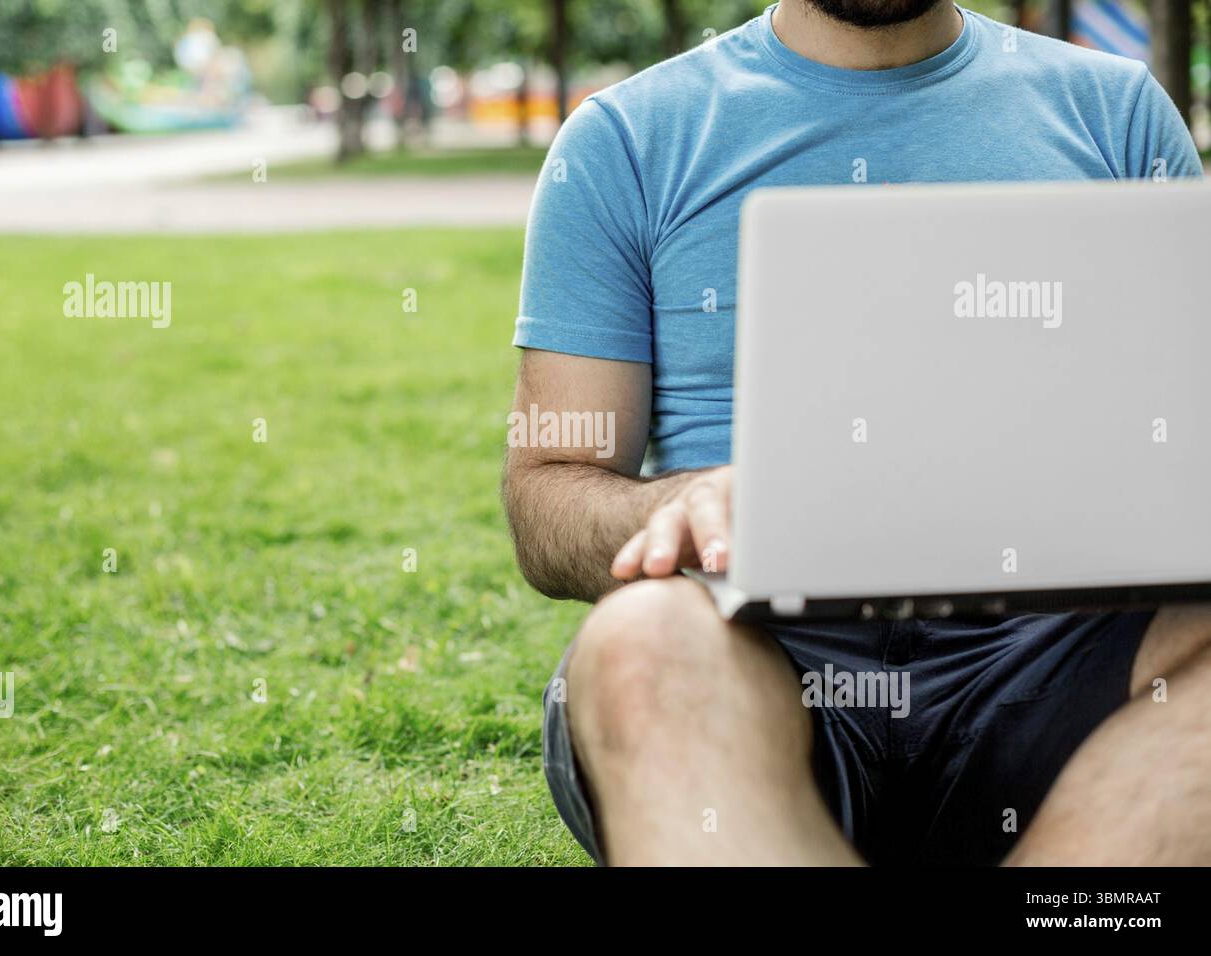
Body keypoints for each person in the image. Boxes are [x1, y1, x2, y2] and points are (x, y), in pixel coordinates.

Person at [502, 0, 1210, 865]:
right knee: (643, 640)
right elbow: (547, 492)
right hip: (760, 668)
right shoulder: (624, 139)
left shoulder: (1118, 113)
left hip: (1063, 668)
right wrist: (689, 504)